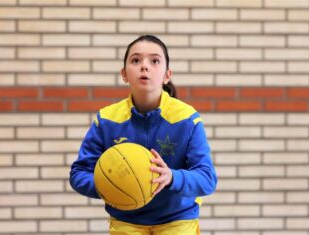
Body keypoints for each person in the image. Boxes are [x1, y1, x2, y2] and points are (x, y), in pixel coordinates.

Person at [69, 34, 217, 235]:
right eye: (136, 60)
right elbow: (79, 174)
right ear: (124, 74)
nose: (144, 66)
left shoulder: (187, 119)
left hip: (178, 220)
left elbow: (207, 179)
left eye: (154, 61)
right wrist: (111, 184)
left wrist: (171, 177)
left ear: (167, 75)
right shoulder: (106, 120)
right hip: (126, 220)